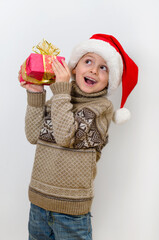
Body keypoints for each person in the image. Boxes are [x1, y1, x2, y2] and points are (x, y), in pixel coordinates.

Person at [19, 33, 138, 240]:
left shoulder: (101, 108)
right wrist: (36, 93)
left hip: (71, 212)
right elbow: (33, 135)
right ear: (74, 67)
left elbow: (66, 136)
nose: (93, 70)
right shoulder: (60, 99)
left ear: (111, 80)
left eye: (103, 67)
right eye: (88, 61)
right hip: (38, 203)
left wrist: (61, 91)